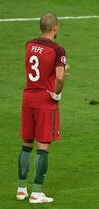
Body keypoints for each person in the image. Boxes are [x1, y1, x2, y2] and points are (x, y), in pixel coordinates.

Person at [17, 13, 67, 203]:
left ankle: (21, 189)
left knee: (26, 143)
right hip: (45, 101)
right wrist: (56, 93)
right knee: (43, 145)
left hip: (28, 97)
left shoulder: (29, 44)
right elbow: (60, 77)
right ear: (55, 28)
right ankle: (36, 193)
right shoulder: (58, 50)